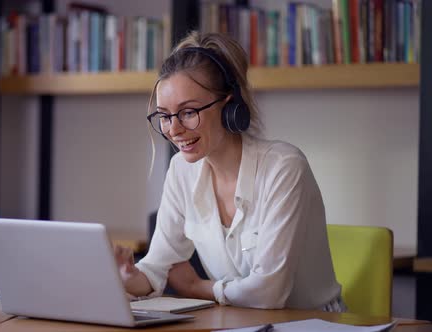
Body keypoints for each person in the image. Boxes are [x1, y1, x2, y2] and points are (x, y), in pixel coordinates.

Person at [114, 31, 345, 311]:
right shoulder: (181, 171)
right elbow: (157, 269)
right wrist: (128, 277)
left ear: (229, 105)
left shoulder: (283, 167)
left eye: (188, 112)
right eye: (164, 115)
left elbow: (269, 293)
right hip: (238, 322)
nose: (173, 130)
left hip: (313, 325)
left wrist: (198, 288)